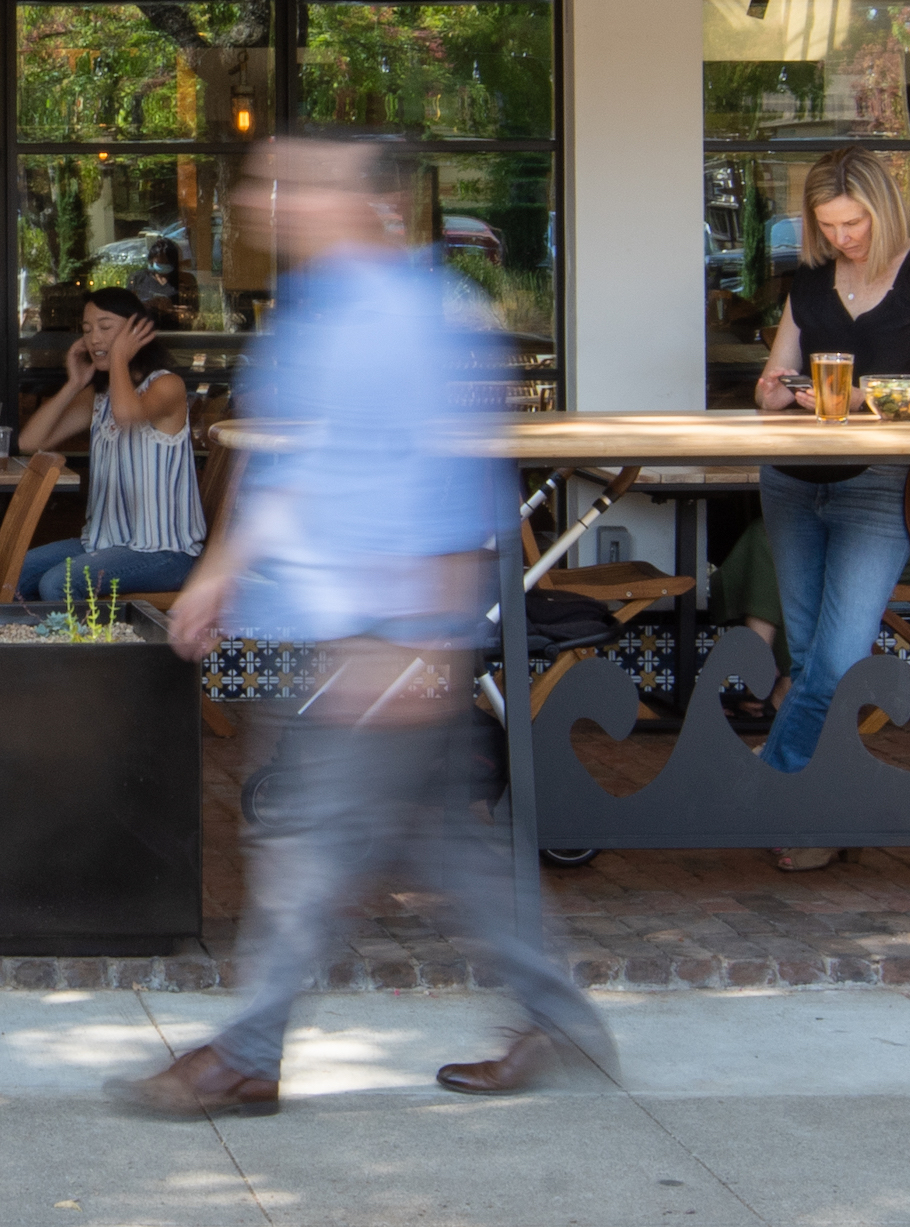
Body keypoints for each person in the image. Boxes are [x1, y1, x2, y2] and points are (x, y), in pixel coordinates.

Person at [118, 132, 617, 1114]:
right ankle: (558, 1018)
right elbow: (286, 464)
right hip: (336, 627)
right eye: (266, 183)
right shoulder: (309, 312)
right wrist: (219, 572)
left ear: (365, 202)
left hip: (383, 633)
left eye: (293, 184)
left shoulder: (417, 317)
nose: (265, 199)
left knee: (307, 844)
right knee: (442, 844)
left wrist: (420, 642)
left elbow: (459, 480)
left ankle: (246, 1054)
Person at [717, 148, 910, 864]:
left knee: (835, 662)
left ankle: (767, 791)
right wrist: (774, 390)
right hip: (791, 480)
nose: (842, 236)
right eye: (828, 224)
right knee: (808, 659)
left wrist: (859, 396)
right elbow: (774, 376)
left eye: (854, 221)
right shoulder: (810, 279)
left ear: (882, 209)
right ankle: (819, 815)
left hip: (879, 483)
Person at [14, 284, 207, 610]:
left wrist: (117, 356)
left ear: (136, 331)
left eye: (105, 327)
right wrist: (74, 383)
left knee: (58, 583)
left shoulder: (166, 385)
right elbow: (30, 442)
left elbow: (127, 414)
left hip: (165, 553)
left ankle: (88, 644)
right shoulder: (99, 396)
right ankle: (45, 640)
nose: (94, 339)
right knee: (17, 573)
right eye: (87, 329)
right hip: (105, 542)